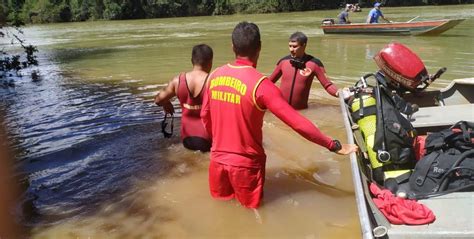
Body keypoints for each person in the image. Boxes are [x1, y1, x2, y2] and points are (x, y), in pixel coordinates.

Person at [200, 21, 358, 211]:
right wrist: (333, 145)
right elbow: (297, 123)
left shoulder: (214, 76)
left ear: (232, 47)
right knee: (252, 214)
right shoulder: (261, 85)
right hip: (246, 166)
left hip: (217, 161)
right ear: (259, 47)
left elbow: (205, 116)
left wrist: (219, 145)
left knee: (222, 210)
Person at [154, 44, 213, 152]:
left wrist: (166, 103)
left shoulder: (178, 81)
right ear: (211, 62)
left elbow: (158, 100)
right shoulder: (213, 81)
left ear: (192, 61)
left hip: (187, 140)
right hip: (209, 139)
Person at [267, 32, 340, 110]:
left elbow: (327, 85)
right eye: (290, 46)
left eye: (295, 46)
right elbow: (268, 82)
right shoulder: (283, 62)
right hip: (281, 110)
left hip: (301, 112)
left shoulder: (314, 64)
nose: (291, 49)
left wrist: (339, 93)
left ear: (304, 45)